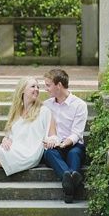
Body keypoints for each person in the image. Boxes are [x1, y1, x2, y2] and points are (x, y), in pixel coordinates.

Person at [42, 68, 89, 203]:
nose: (46, 89)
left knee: (74, 153)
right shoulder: (46, 105)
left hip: (74, 145)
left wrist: (64, 144)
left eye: (48, 85)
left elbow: (77, 134)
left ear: (59, 85)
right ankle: (71, 178)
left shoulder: (79, 105)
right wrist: (53, 142)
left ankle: (68, 187)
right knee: (49, 153)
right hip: (54, 147)